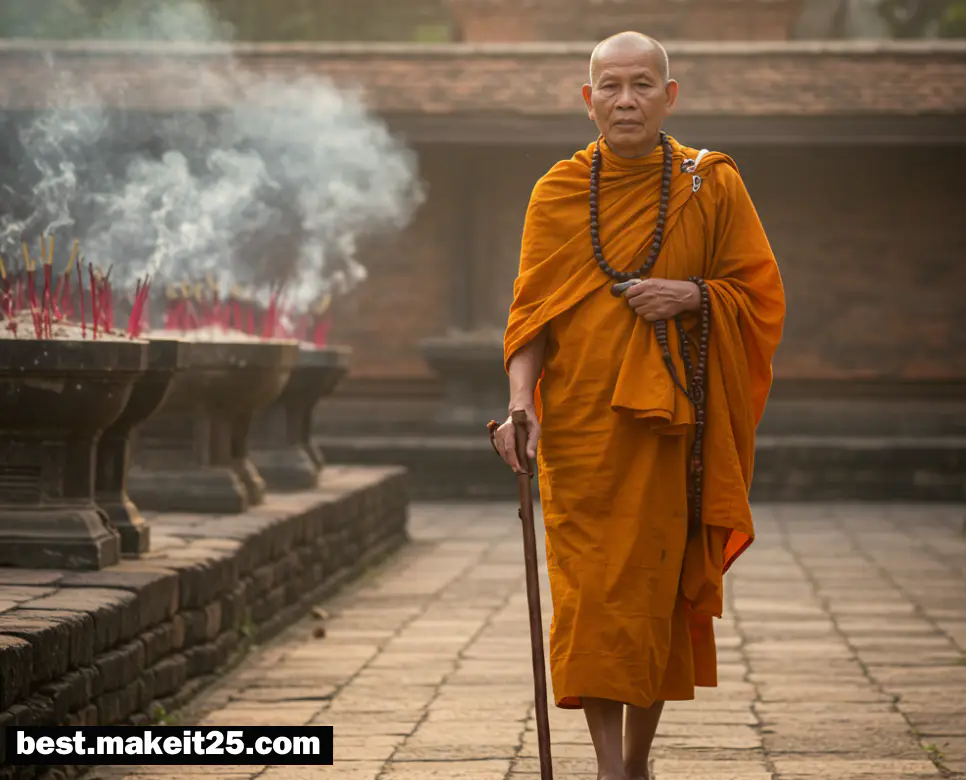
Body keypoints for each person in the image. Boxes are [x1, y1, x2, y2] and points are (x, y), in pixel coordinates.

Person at [489, 31, 786, 780]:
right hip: (581, 433)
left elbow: (759, 297)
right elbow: (530, 318)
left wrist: (693, 294)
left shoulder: (709, 184)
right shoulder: (558, 192)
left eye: (642, 85)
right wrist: (521, 404)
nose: (626, 100)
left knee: (652, 592)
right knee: (590, 597)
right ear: (587, 100)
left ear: (669, 95)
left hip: (668, 430)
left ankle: (636, 760)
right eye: (611, 86)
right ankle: (609, 767)